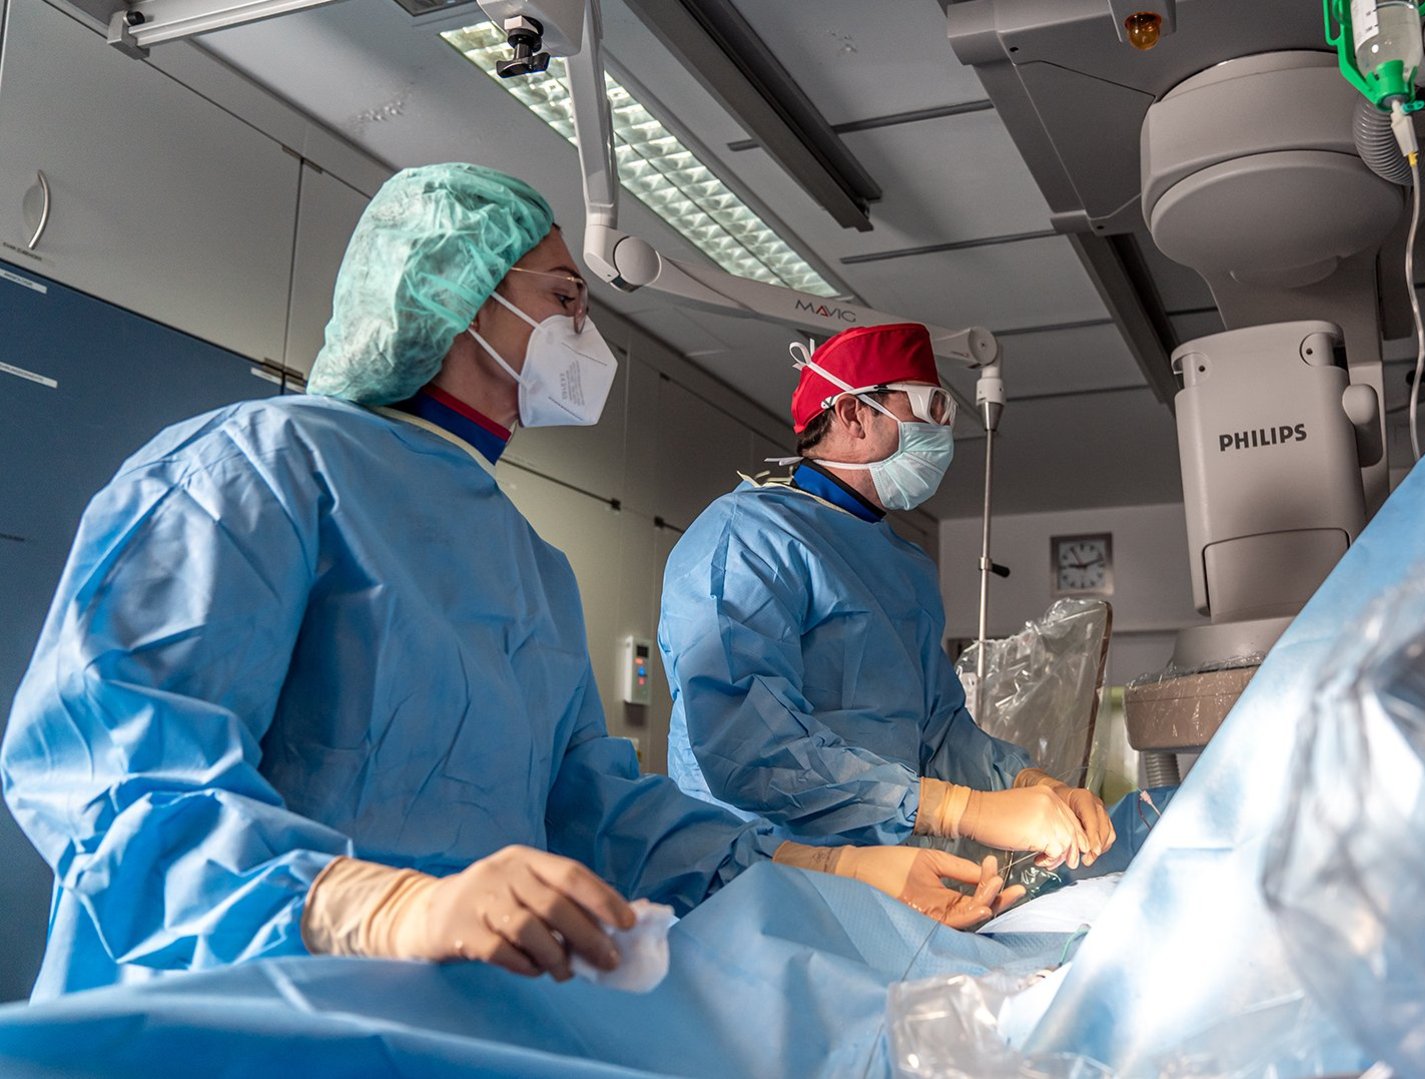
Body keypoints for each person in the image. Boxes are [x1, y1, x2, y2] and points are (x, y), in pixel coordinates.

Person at [0, 164, 1014, 1001]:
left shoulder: (531, 565)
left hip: (439, 1023)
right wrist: (387, 905)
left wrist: (834, 869)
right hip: (220, 1025)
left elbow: (600, 813)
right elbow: (110, 775)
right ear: (455, 295)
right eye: (566, 298)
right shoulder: (256, 466)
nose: (587, 332)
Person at [657, 323, 1117, 868]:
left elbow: (940, 731)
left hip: (886, 873)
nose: (943, 429)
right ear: (853, 414)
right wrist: (956, 809)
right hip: (758, 872)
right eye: (928, 405)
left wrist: (1032, 783)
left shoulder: (906, 568)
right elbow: (749, 749)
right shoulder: (749, 540)